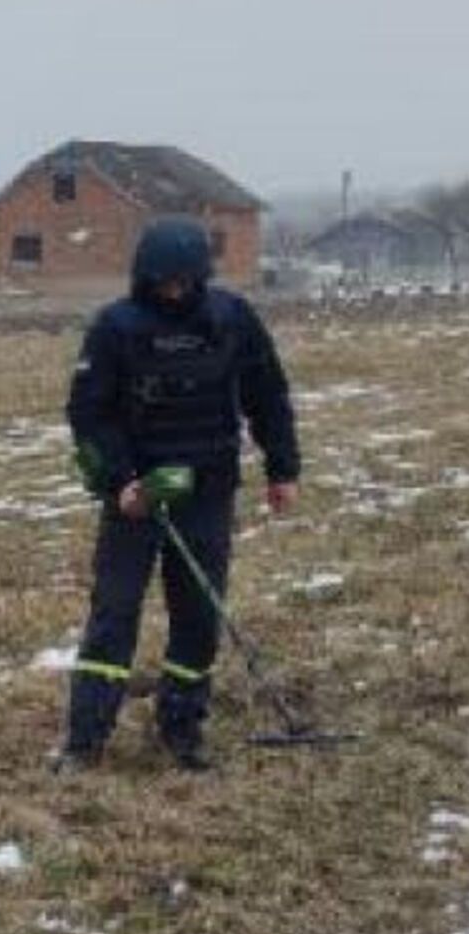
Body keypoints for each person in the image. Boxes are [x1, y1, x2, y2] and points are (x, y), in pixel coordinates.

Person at [57, 216, 301, 774]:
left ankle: (182, 729)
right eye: (161, 280)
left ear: (199, 276)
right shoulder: (115, 327)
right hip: (136, 497)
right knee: (114, 615)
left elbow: (269, 395)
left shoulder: (232, 319)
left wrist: (282, 468)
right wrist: (122, 481)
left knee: (197, 616)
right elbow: (88, 413)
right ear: (143, 275)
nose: (172, 290)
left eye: (182, 280)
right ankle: (85, 739)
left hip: (208, 490)